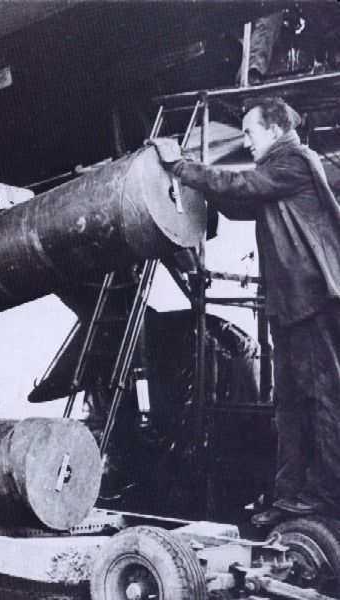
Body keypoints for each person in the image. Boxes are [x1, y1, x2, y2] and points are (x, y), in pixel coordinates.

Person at [149, 97, 340, 526]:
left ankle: (327, 496)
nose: (246, 142)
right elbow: (239, 203)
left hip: (312, 301)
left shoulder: (294, 160)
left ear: (273, 130)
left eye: (250, 133)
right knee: (289, 403)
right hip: (292, 304)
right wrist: (192, 184)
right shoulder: (277, 172)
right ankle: (291, 495)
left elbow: (244, 187)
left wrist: (182, 165)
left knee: (325, 398)